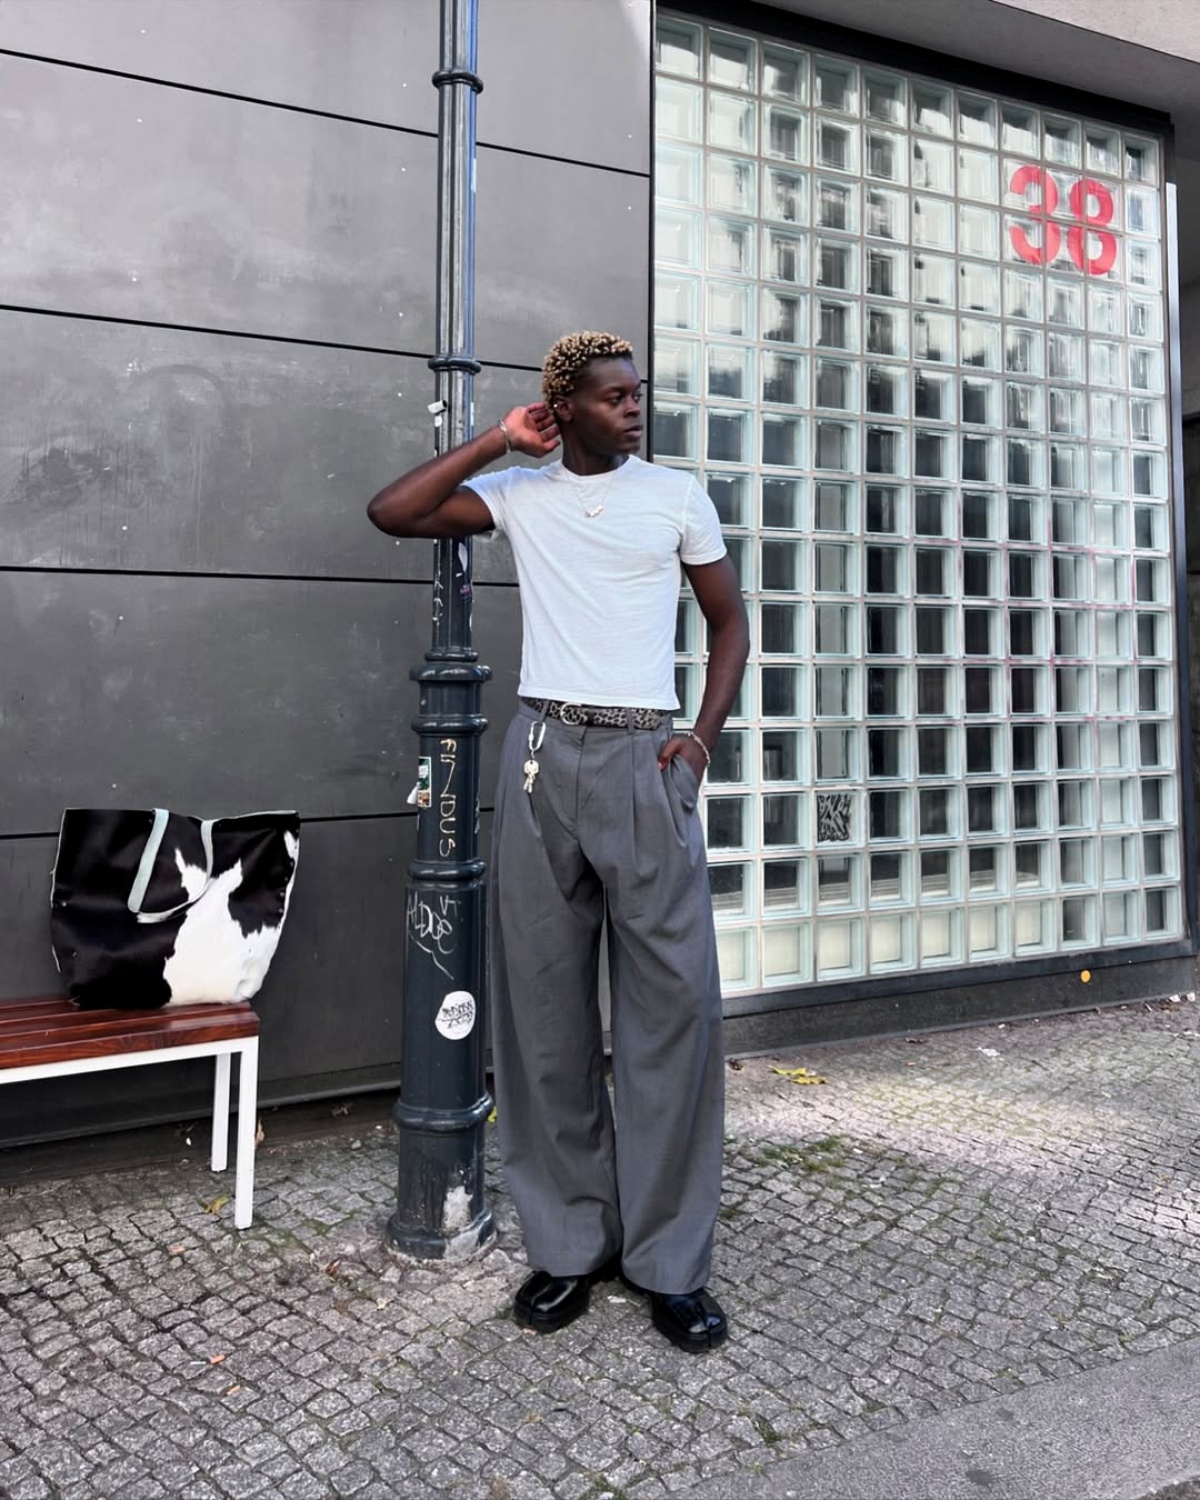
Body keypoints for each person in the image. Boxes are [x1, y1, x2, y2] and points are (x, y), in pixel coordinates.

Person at [367, 331, 749, 1353]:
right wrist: (498, 438)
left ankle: (670, 1262)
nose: (635, 409)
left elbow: (729, 623)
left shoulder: (675, 496)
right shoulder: (524, 495)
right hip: (541, 757)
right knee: (543, 1014)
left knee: (673, 1009)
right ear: (567, 408)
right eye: (615, 398)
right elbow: (393, 511)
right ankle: (570, 1246)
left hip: (643, 762)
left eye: (638, 395)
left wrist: (698, 741)